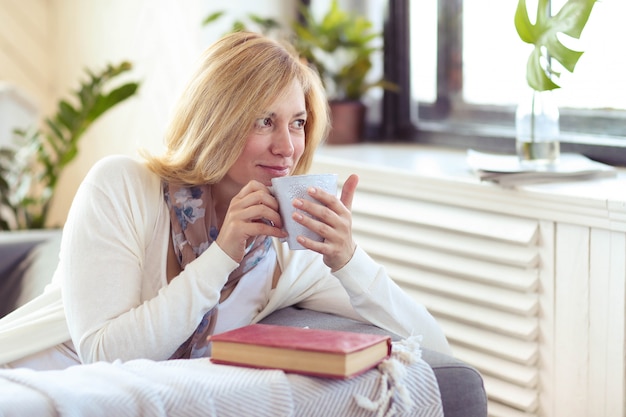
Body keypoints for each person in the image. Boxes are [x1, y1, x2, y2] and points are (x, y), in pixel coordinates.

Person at [0, 31, 450, 369]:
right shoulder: (121, 187)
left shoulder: (285, 252)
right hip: (31, 385)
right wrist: (220, 256)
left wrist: (348, 259)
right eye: (263, 121)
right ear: (216, 122)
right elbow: (102, 358)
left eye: (297, 123)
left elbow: (432, 345)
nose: (287, 147)